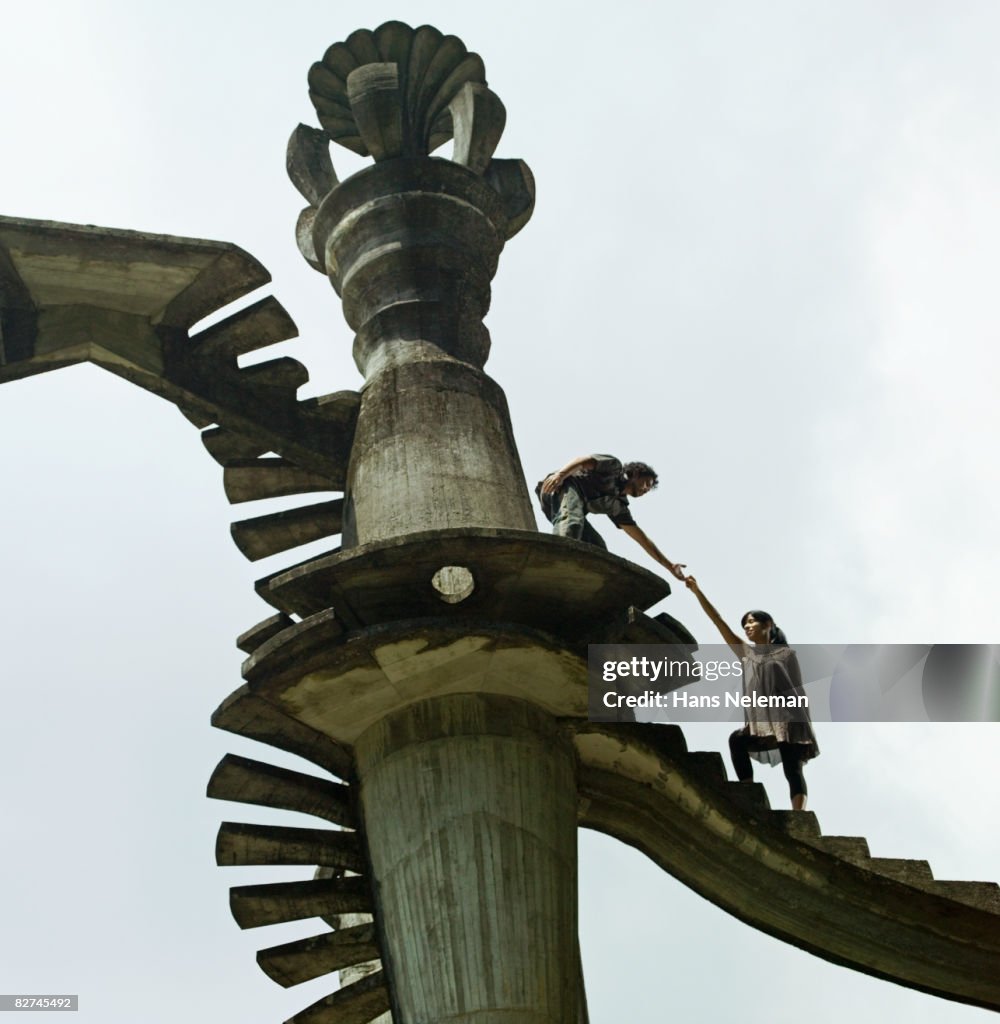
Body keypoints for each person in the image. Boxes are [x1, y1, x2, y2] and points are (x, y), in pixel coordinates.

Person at [684, 576, 819, 810]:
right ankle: (748, 793)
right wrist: (697, 591)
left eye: (751, 621)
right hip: (762, 723)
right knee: (737, 740)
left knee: (792, 765)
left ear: (768, 624)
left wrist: (799, 724)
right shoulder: (747, 654)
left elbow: (797, 691)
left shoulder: (786, 654)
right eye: (744, 624)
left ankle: (799, 813)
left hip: (787, 718)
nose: (747, 626)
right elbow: (718, 622)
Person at [536, 454, 687, 580]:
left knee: (597, 547)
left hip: (560, 508)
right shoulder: (613, 468)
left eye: (649, 489)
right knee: (573, 522)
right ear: (635, 474)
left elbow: (642, 539)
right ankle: (556, 563)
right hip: (559, 487)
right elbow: (583, 461)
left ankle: (583, 578)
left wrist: (670, 566)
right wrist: (560, 475)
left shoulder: (618, 506)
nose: (646, 489)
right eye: (647, 483)